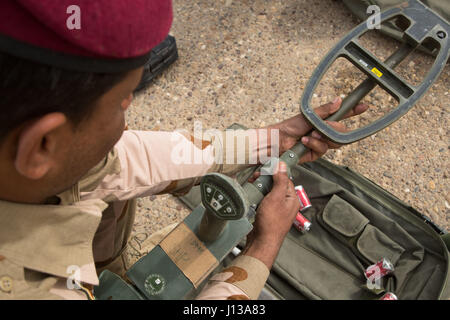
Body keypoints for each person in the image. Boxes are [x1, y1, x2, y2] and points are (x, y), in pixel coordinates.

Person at [0, 0, 367, 300]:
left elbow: (124, 161)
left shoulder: (25, 153)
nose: (126, 123)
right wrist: (261, 251)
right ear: (42, 145)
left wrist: (274, 140)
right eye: (120, 104)